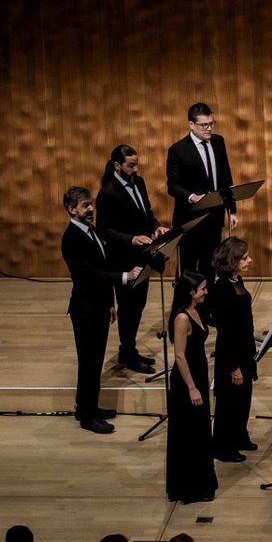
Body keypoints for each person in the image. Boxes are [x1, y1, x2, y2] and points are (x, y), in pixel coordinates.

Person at [60, 187, 147, 434]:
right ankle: (87, 415)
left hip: (98, 306)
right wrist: (125, 276)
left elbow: (102, 264)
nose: (91, 210)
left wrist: (110, 302)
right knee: (88, 362)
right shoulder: (71, 239)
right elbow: (88, 274)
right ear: (71, 209)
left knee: (95, 361)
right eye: (85, 205)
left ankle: (89, 406)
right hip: (85, 310)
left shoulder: (91, 231)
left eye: (91, 205)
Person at [96, 144, 168, 373]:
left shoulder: (139, 182)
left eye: (136, 164)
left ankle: (129, 350)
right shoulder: (108, 193)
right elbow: (104, 231)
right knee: (128, 309)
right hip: (123, 259)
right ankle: (127, 352)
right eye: (130, 165)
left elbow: (147, 213)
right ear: (117, 165)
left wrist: (156, 227)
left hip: (142, 255)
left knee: (138, 306)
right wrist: (131, 239)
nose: (135, 169)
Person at [165, 101, 238, 275]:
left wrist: (232, 210)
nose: (209, 128)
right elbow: (173, 186)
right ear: (191, 124)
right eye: (204, 125)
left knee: (210, 266)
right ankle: (184, 303)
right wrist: (192, 196)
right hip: (190, 219)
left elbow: (226, 178)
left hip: (214, 217)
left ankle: (209, 302)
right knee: (187, 268)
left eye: (211, 123)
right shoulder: (178, 150)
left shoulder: (218, 142)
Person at [166, 271, 217, 504]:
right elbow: (179, 356)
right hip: (185, 382)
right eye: (203, 288)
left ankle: (202, 483)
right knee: (189, 433)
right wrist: (192, 388)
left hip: (197, 374)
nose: (206, 291)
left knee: (200, 432)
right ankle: (189, 488)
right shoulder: (182, 318)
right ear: (190, 291)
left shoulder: (197, 311)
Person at [206, 237, 258, 462]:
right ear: (233, 261)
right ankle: (223, 446)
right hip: (231, 353)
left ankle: (239, 435)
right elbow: (226, 331)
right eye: (244, 258)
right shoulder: (222, 289)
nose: (249, 261)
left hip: (244, 348)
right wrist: (234, 366)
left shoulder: (237, 281)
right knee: (229, 402)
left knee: (243, 397)